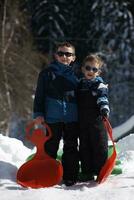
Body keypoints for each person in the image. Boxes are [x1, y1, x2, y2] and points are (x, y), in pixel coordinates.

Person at [33, 42, 79, 186]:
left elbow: (84, 97)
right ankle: (47, 175)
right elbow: (39, 95)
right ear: (56, 56)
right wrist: (39, 114)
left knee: (71, 147)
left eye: (68, 54)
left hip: (72, 118)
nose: (64, 57)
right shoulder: (47, 73)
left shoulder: (78, 76)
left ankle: (70, 176)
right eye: (61, 53)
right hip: (52, 117)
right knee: (50, 147)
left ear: (74, 58)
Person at [77, 53, 110, 182]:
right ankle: (87, 171)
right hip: (83, 121)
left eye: (94, 69)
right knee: (85, 146)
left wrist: (104, 109)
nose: (90, 71)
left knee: (99, 145)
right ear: (83, 69)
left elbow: (103, 98)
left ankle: (100, 170)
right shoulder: (79, 85)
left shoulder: (99, 85)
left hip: (97, 121)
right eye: (88, 68)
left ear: (98, 72)